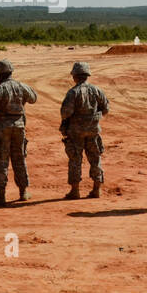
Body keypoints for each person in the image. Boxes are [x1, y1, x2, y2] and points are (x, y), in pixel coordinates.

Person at [0, 59, 38, 206]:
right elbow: (33, 98)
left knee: (1, 159)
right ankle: (23, 192)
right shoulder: (21, 86)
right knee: (19, 158)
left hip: (2, 127)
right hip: (19, 126)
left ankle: (1, 195)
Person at [59, 61, 109, 200]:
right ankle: (96, 189)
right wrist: (95, 116)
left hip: (75, 132)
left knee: (75, 160)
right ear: (87, 75)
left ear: (74, 76)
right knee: (95, 158)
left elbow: (65, 112)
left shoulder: (73, 93)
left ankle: (75, 191)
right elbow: (106, 109)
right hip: (93, 130)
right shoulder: (96, 90)